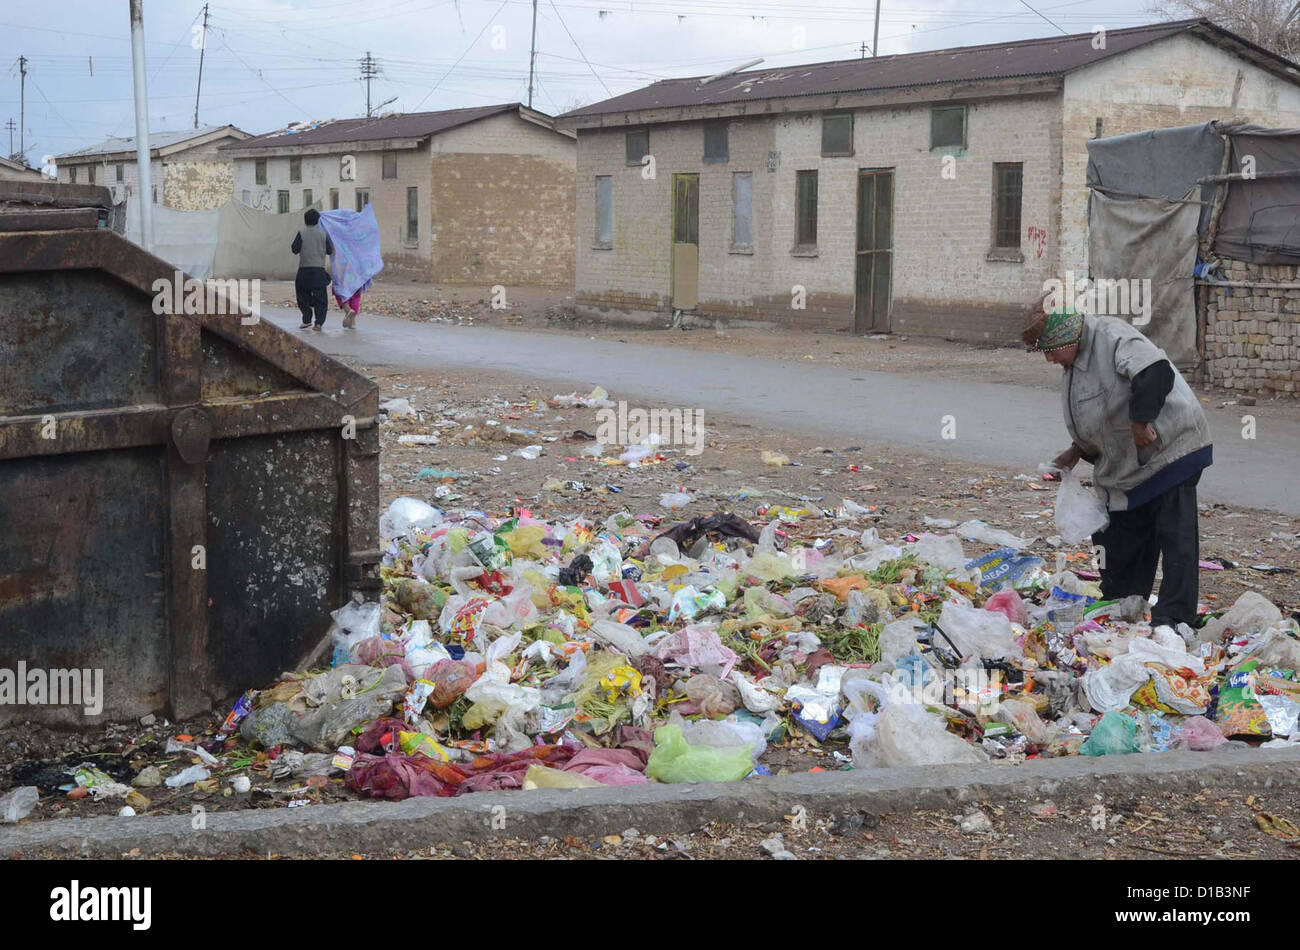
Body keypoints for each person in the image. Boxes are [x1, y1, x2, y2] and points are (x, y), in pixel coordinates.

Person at [1024, 309, 1213, 633]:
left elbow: (1155, 373)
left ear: (1066, 338)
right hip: (1130, 466)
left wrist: (1141, 423)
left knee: (1175, 534)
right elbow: (1102, 411)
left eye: (1049, 350)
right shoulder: (1073, 363)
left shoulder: (1111, 337)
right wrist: (1076, 451)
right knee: (1117, 532)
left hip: (1170, 449)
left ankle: (1175, 619)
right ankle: (1123, 601)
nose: (1049, 360)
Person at [292, 208, 334, 331]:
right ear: (317, 221)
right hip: (319, 271)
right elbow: (330, 250)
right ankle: (319, 323)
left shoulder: (301, 232)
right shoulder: (323, 234)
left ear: (305, 221)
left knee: (302, 295)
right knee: (320, 298)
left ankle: (306, 318)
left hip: (304, 270)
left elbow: (294, 249)